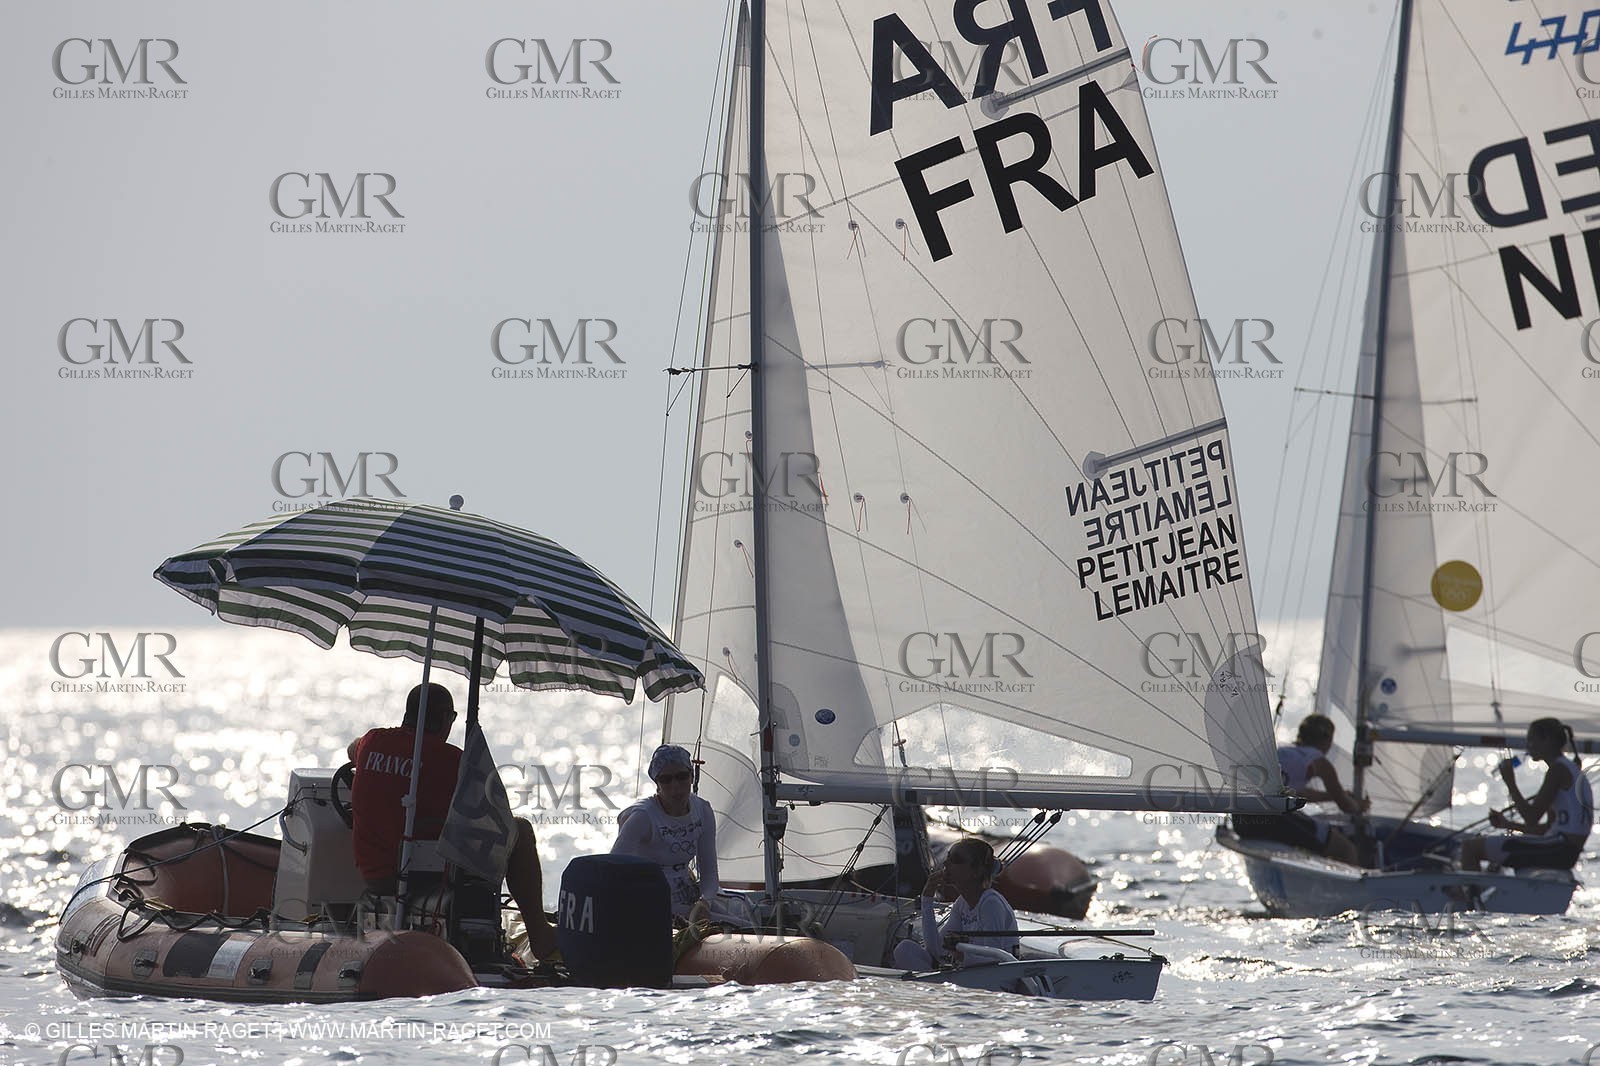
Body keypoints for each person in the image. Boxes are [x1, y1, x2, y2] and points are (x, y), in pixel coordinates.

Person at [348, 683, 556, 960]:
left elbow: (353, 749)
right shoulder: (453, 761)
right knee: (520, 830)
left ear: (408, 713)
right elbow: (496, 817)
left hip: (375, 875)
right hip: (418, 877)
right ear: (447, 719)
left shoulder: (373, 741)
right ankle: (540, 934)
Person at [1459, 717, 1594, 872]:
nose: (1527, 746)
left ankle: (1470, 896)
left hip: (1559, 848)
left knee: (1470, 848)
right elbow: (1545, 830)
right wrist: (1507, 825)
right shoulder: (1569, 768)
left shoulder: (1557, 770)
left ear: (1547, 741)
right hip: (1563, 850)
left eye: (1531, 740)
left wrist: (1510, 782)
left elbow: (1531, 817)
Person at [1233, 713, 1366, 864]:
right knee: (1346, 849)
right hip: (1271, 818)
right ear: (1328, 740)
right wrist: (1359, 806)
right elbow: (1346, 805)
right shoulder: (1318, 761)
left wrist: (1331, 796)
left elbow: (1298, 794)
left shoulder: (1283, 752)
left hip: (1241, 820)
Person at [612, 744, 723, 924]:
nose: (675, 787)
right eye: (666, 779)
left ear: (692, 776)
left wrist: (705, 902)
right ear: (657, 784)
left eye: (681, 776)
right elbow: (614, 870)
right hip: (650, 894)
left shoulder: (703, 810)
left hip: (687, 891)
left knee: (743, 917)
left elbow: (709, 873)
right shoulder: (642, 817)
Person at [892, 836, 1019, 972]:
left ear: (975, 872)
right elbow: (936, 950)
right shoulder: (962, 904)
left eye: (955, 860)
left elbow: (994, 959)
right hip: (969, 973)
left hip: (995, 979)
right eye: (948, 858)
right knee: (904, 949)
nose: (946, 863)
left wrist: (962, 957)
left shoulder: (991, 904)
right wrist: (927, 897)